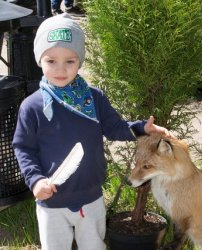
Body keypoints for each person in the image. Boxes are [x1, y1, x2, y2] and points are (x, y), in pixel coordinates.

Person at [12, 13, 172, 250]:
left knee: (94, 245)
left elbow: (115, 128)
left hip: (91, 197)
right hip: (51, 201)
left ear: (80, 61)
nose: (61, 69)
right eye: (51, 60)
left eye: (70, 61)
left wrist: (141, 129)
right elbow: (23, 148)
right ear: (39, 61)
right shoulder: (32, 107)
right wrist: (35, 181)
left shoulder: (94, 98)